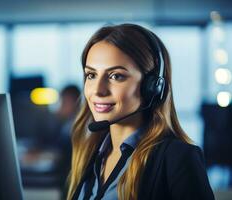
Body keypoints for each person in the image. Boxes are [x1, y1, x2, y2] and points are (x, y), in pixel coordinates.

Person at [66, 24, 214, 200]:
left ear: (151, 86)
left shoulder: (177, 158)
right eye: (91, 75)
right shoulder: (88, 154)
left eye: (116, 76)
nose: (98, 90)